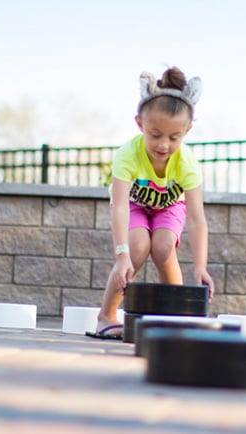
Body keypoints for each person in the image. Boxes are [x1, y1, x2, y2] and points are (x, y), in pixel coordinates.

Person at [93, 66, 214, 339]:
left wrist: (200, 266)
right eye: (155, 134)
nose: (164, 145)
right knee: (137, 246)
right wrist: (122, 257)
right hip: (134, 206)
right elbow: (121, 206)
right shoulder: (128, 155)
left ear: (187, 130)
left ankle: (173, 318)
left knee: (162, 246)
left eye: (174, 137)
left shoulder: (188, 163)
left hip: (170, 208)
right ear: (140, 124)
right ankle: (106, 316)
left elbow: (196, 219)